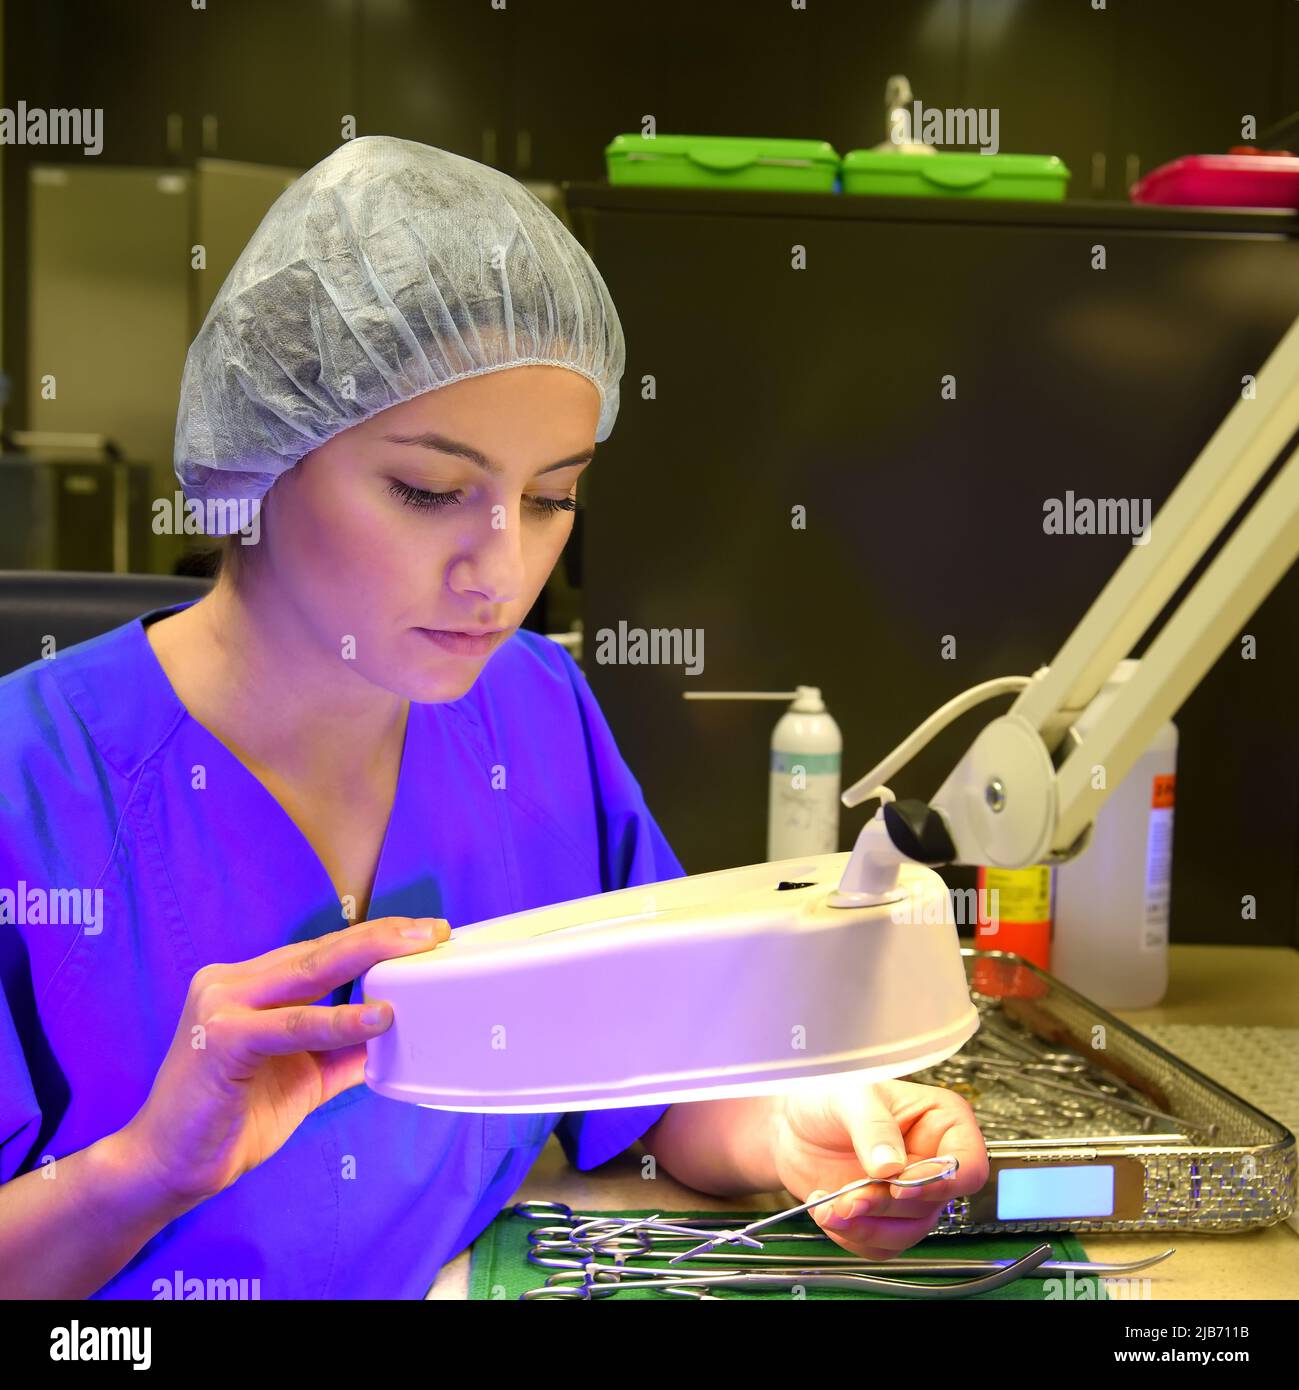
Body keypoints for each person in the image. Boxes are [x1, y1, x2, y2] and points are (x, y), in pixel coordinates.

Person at [0, 136, 987, 1299]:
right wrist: (142, 1171)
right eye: (430, 491)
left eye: (552, 494)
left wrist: (794, 1132)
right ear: (260, 452)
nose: (502, 568)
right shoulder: (37, 785)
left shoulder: (534, 709)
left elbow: (643, 1072)